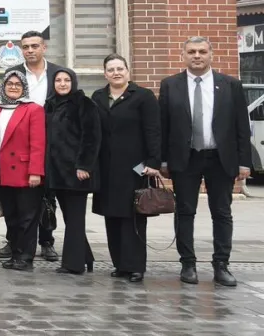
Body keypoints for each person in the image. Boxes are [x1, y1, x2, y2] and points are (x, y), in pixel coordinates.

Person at [159, 36, 253, 287]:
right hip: (186, 158)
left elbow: (242, 126)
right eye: (191, 52)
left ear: (211, 54)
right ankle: (188, 264)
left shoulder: (230, 85)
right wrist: (163, 160)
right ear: (183, 55)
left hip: (220, 158)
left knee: (221, 212)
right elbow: (163, 126)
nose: (197, 56)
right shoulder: (170, 85)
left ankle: (221, 265)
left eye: (202, 51)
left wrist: (244, 162)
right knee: (184, 211)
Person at [91, 54, 161, 283]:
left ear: (128, 71)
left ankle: (135, 266)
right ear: (105, 74)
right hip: (106, 167)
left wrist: (153, 162)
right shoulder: (98, 97)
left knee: (133, 216)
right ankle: (120, 264)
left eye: (120, 68)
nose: (116, 73)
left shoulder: (143, 96)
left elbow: (153, 130)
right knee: (112, 216)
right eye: (111, 69)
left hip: (135, 167)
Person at [0, 31, 64, 263]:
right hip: (18, 145)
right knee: (16, 207)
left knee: (46, 198)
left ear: (43, 47)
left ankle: (46, 241)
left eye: (34, 46)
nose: (30, 50)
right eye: (25, 47)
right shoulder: (13, 73)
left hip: (49, 140)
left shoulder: (57, 73)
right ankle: (15, 243)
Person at [43, 68, 100, 275]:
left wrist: (84, 165)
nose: (62, 84)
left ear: (73, 82)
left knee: (75, 218)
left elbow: (92, 137)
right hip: (57, 172)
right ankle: (86, 257)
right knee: (70, 218)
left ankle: (73, 264)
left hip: (76, 172)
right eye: (58, 80)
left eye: (67, 80)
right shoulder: (50, 104)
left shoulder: (84, 104)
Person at [0, 70, 46, 272]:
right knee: (11, 217)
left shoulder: (33, 109)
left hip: (25, 171)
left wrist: (36, 172)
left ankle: (25, 257)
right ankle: (15, 254)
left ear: (24, 87)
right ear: (3, 86)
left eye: (18, 84)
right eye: (10, 84)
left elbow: (38, 144)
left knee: (27, 217)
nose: (14, 87)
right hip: (2, 170)